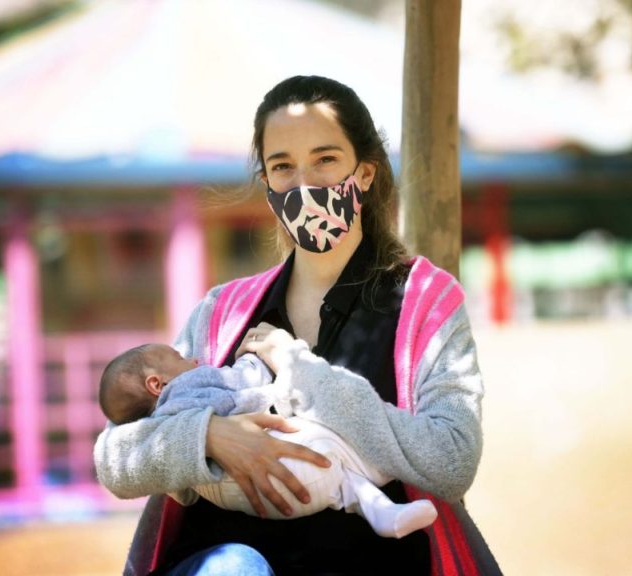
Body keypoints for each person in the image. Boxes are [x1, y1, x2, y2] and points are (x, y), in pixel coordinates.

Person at [94, 75, 499, 576]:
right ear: (266, 184)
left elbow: (452, 460)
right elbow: (113, 454)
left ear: (366, 172)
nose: (304, 184)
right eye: (283, 167)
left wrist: (303, 373)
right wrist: (209, 437)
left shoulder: (424, 302)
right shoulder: (224, 310)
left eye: (325, 159)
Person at [97, 340, 438, 539]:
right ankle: (383, 490)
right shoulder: (189, 385)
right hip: (285, 469)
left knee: (335, 480)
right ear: (157, 384)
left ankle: (382, 512)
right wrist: (262, 359)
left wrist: (197, 448)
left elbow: (179, 491)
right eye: (179, 358)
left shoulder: (161, 423)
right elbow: (238, 386)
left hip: (236, 496)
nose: (195, 359)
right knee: (328, 443)